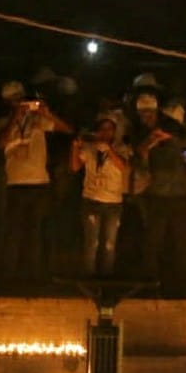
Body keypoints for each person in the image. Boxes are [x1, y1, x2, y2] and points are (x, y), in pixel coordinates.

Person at [0, 81, 71, 284]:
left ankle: (35, 275)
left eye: (22, 99)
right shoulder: (4, 122)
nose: (19, 104)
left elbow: (67, 129)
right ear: (7, 103)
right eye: (14, 101)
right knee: (14, 231)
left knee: (36, 230)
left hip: (39, 182)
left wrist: (47, 113)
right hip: (15, 183)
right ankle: (8, 275)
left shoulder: (38, 120)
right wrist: (14, 119)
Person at [132, 93, 186, 296]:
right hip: (156, 194)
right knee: (152, 243)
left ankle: (182, 286)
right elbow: (139, 154)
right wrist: (149, 143)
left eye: (149, 113)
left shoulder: (173, 127)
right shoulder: (140, 132)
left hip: (179, 194)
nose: (145, 117)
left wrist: (168, 137)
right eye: (142, 113)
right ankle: (150, 285)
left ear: (156, 112)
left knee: (181, 243)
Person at [69, 117, 130, 276]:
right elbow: (75, 167)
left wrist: (109, 150)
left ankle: (106, 279)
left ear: (115, 132)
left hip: (113, 202)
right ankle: (89, 280)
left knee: (109, 245)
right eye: (102, 128)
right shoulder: (90, 147)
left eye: (109, 129)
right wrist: (75, 147)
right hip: (91, 199)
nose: (106, 132)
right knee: (91, 243)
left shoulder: (121, 147)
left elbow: (123, 167)